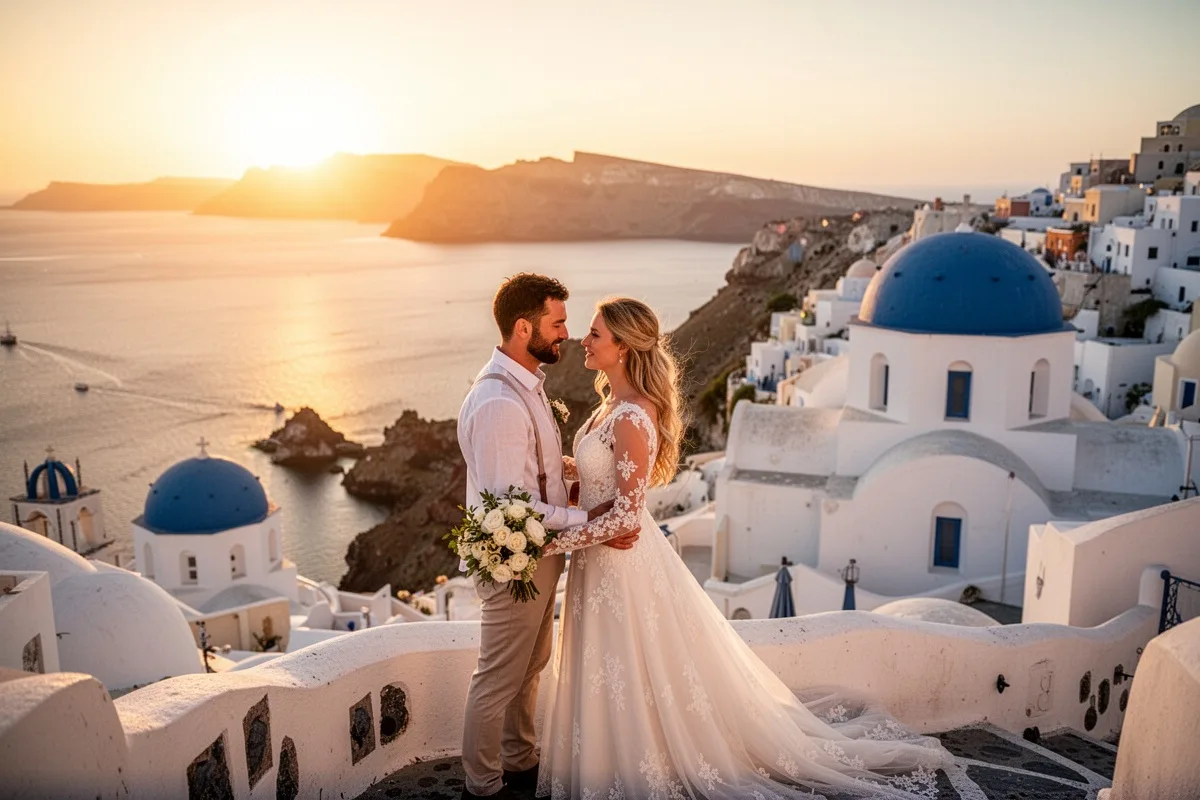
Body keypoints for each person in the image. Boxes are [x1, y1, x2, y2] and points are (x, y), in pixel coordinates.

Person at [535, 297, 952, 799]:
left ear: (622, 347)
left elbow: (627, 513)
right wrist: (560, 468)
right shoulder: (610, 405)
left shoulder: (632, 416)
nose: (586, 339)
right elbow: (605, 475)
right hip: (600, 560)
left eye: (596, 333)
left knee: (630, 668)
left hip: (622, 565)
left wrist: (550, 542)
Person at [458, 274, 638, 799]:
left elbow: (529, 477)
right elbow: (509, 507)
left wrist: (570, 476)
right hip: (515, 564)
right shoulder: (498, 403)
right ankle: (483, 786)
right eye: (557, 322)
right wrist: (591, 520)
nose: (568, 333)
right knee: (496, 681)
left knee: (530, 667)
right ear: (523, 327)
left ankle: (520, 763)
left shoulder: (526, 386)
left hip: (538, 556)